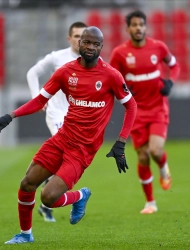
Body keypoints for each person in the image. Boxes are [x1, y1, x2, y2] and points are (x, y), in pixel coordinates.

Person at [1, 26, 137, 245]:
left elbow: (131, 106)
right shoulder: (65, 72)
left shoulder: (111, 75)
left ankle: (80, 196)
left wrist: (121, 142)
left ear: (101, 47)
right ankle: (25, 235)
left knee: (48, 197)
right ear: (79, 43)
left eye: (95, 44)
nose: (90, 47)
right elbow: (39, 101)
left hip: (82, 149)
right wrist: (11, 115)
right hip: (62, 138)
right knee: (27, 184)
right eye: (86, 42)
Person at [109, 10, 180, 214]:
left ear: (145, 27)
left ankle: (163, 167)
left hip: (158, 107)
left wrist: (170, 82)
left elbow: (174, 66)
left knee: (155, 151)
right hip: (136, 111)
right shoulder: (120, 53)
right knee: (142, 157)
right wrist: (121, 89)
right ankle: (150, 202)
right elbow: (112, 78)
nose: (138, 28)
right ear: (128, 28)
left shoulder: (158, 47)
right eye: (134, 25)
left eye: (141, 24)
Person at [27, 21, 87, 223]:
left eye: (83, 36)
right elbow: (32, 73)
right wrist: (38, 99)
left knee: (62, 162)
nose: (80, 40)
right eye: (77, 36)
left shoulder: (92, 60)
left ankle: (47, 203)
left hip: (78, 119)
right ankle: (64, 198)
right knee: (66, 158)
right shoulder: (57, 57)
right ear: (69, 39)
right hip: (57, 115)